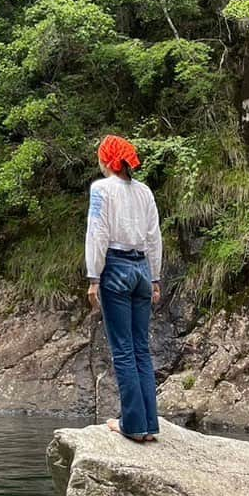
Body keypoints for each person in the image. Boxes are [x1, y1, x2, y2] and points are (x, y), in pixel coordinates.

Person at [85, 134, 162, 443]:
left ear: (107, 160)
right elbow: (154, 237)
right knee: (141, 348)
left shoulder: (101, 189)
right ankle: (149, 424)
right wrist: (155, 278)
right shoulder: (144, 192)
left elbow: (98, 232)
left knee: (123, 351)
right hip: (142, 268)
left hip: (115, 267)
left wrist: (94, 277)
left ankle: (132, 425)